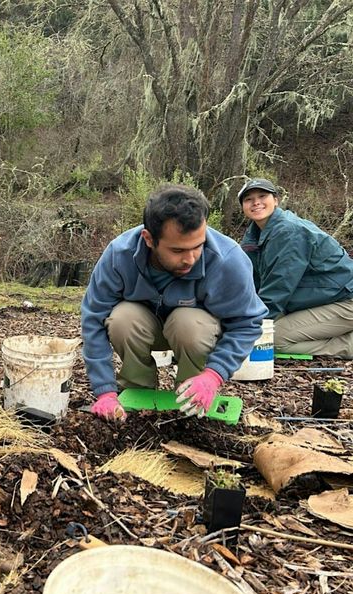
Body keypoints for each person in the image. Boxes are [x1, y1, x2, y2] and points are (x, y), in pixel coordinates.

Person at [81, 184, 267, 421]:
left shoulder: (227, 260)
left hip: (196, 331)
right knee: (122, 318)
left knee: (188, 322)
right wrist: (104, 390)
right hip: (142, 327)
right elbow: (93, 319)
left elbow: (247, 322)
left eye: (198, 246)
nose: (190, 259)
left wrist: (213, 375)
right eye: (178, 250)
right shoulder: (120, 255)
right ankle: (137, 395)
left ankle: (191, 397)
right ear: (149, 239)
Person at [239, 178, 353, 357]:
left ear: (276, 200)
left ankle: (348, 343)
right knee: (264, 329)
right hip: (322, 299)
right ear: (243, 206)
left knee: (271, 340)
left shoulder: (288, 232)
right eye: (248, 199)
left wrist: (248, 326)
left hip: (345, 300)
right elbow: (251, 281)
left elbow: (279, 286)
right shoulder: (255, 234)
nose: (256, 203)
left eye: (262, 196)